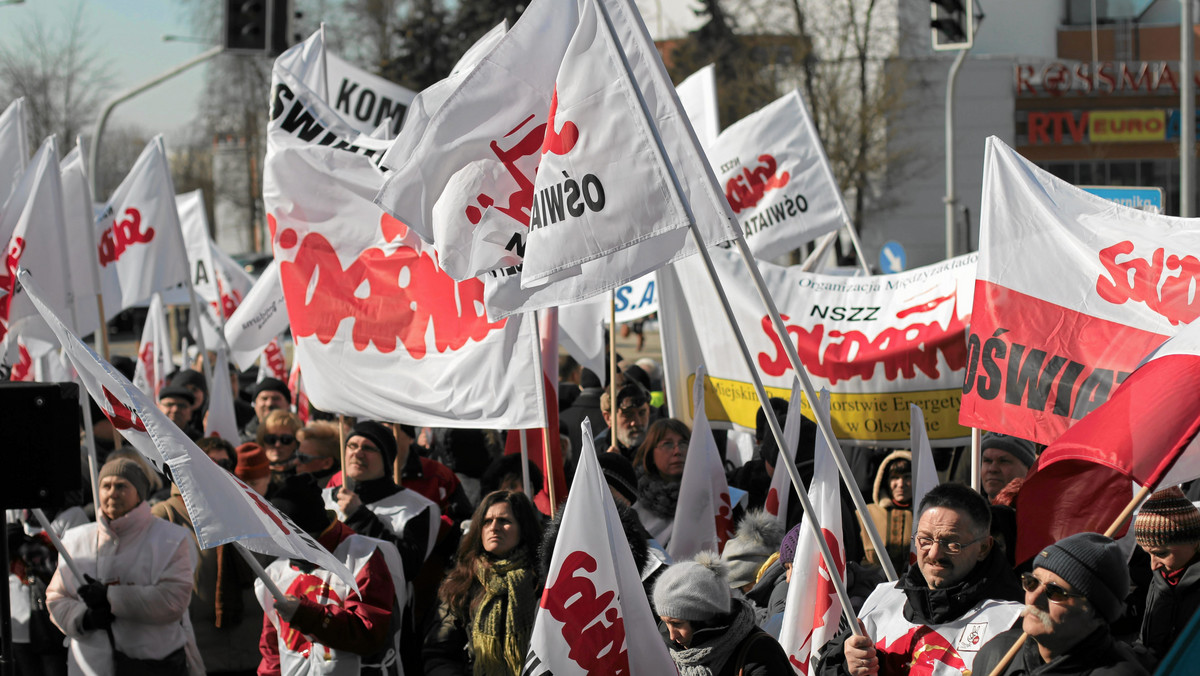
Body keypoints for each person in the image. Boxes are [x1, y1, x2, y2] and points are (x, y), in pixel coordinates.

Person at [818, 483, 1023, 676]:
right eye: (925, 540)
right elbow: (827, 667)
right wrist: (846, 665)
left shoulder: (1012, 620)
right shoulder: (884, 598)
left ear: (984, 548)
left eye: (951, 543)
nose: (934, 554)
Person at [46, 458, 203, 675]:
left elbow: (173, 600)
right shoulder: (74, 540)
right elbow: (56, 598)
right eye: (106, 486)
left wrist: (111, 598)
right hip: (91, 666)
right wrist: (84, 618)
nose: (112, 493)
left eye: (121, 486)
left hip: (153, 664)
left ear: (140, 493)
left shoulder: (173, 539)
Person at [256, 475, 405, 675]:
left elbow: (369, 633)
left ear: (307, 532)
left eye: (287, 536)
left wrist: (306, 615)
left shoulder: (362, 557)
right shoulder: (273, 574)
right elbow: (273, 652)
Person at [154, 437, 263, 675]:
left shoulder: (250, 511)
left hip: (251, 648)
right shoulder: (166, 514)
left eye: (223, 464)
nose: (215, 469)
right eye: (207, 462)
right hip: (198, 648)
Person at [974, 532, 1148, 675]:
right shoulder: (996, 653)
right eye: (1031, 582)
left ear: (1095, 614)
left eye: (1055, 592)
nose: (1034, 599)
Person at [423, 491, 542, 676]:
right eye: (487, 521)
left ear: (523, 528)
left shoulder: (544, 582)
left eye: (504, 521)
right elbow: (440, 653)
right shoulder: (460, 583)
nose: (494, 527)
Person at [324, 421, 441, 583]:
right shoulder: (323, 498)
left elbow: (407, 567)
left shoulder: (419, 508)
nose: (357, 453)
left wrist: (360, 518)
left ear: (386, 458)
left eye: (368, 448)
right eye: (352, 445)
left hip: (377, 604)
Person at [653, 551, 791, 675]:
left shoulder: (760, 654)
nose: (671, 636)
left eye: (677, 624)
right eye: (665, 622)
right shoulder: (671, 654)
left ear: (704, 618)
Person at [1133, 486, 1200, 666]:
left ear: (1193, 541)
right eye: (1147, 554)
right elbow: (1145, 640)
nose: (1153, 565)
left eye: (1161, 553)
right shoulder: (1161, 578)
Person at [632, 418, 691, 547]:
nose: (677, 451)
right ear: (651, 454)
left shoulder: (713, 495)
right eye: (668, 444)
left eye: (683, 443)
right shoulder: (634, 504)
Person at [860, 450, 913, 574]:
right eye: (894, 477)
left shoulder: (928, 516)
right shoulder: (865, 514)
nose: (900, 484)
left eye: (907, 477)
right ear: (885, 481)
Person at [595, 382, 652, 460]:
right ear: (608, 418)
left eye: (642, 413)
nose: (637, 422)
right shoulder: (596, 452)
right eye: (628, 415)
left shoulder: (658, 446)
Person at [979, 433, 1036, 502]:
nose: (992, 469)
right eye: (987, 461)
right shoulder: (968, 509)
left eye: (1003, 461)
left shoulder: (1041, 510)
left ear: (1028, 469)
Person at [257, 409, 303, 490]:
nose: (277, 445)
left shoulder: (304, 477)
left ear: (296, 443)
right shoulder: (251, 475)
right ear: (262, 441)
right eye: (271, 439)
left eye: (286, 439)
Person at [242, 377, 291, 442]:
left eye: (276, 398)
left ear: (288, 404)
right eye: (264, 398)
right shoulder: (240, 440)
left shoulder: (301, 438)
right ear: (255, 404)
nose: (269, 404)